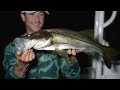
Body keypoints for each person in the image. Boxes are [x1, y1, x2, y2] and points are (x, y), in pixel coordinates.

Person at [3, 11, 81, 79]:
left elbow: (74, 76)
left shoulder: (57, 43)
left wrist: (70, 58)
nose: (37, 20)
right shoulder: (12, 48)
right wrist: (21, 65)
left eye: (41, 14)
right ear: (23, 16)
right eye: (32, 14)